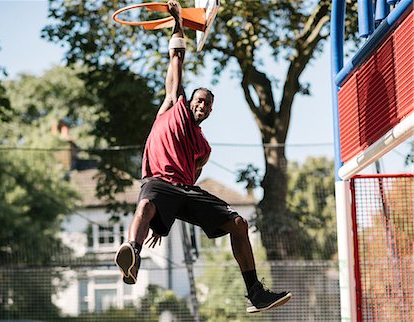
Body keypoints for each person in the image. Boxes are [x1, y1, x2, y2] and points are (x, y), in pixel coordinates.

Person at [115, 0, 292, 313]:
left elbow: (193, 176)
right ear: (188, 100)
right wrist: (178, 22)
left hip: (185, 190)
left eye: (208, 104)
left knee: (239, 223)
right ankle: (132, 252)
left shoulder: (204, 147)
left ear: (211, 110)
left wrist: (167, 214)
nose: (203, 105)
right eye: (199, 99)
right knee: (145, 204)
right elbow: (176, 59)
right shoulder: (172, 107)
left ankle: (256, 294)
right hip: (159, 183)